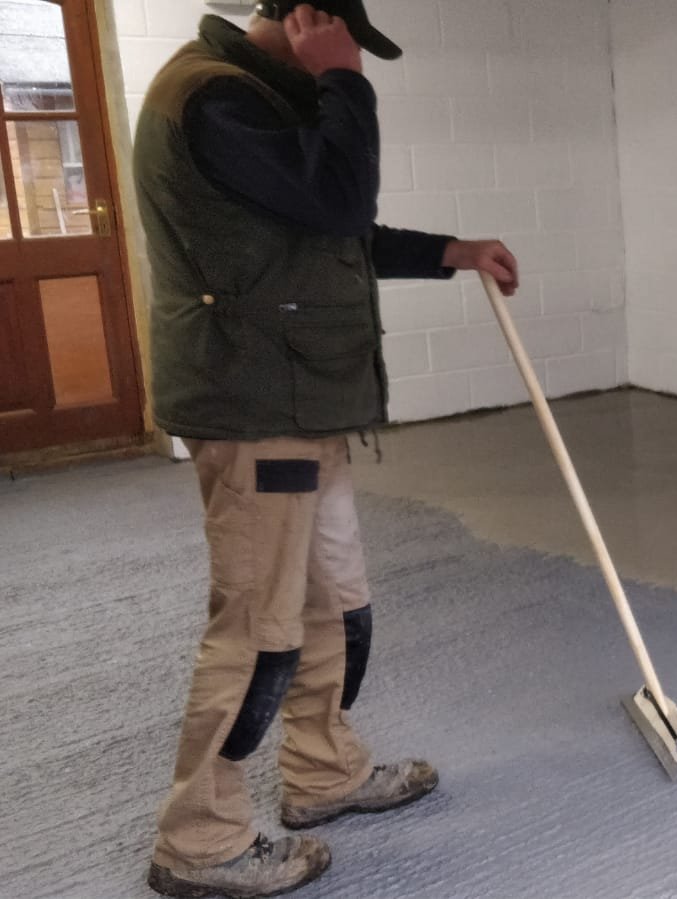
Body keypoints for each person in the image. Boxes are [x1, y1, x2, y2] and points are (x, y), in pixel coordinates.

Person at [134, 1, 520, 895]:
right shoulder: (213, 99)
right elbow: (342, 194)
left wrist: (453, 251)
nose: (344, 68)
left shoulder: (258, 101)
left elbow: (325, 229)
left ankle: (322, 774)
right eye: (339, 44)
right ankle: (200, 840)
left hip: (300, 397)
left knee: (333, 603)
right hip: (258, 403)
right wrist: (342, 79)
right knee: (259, 627)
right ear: (304, 18)